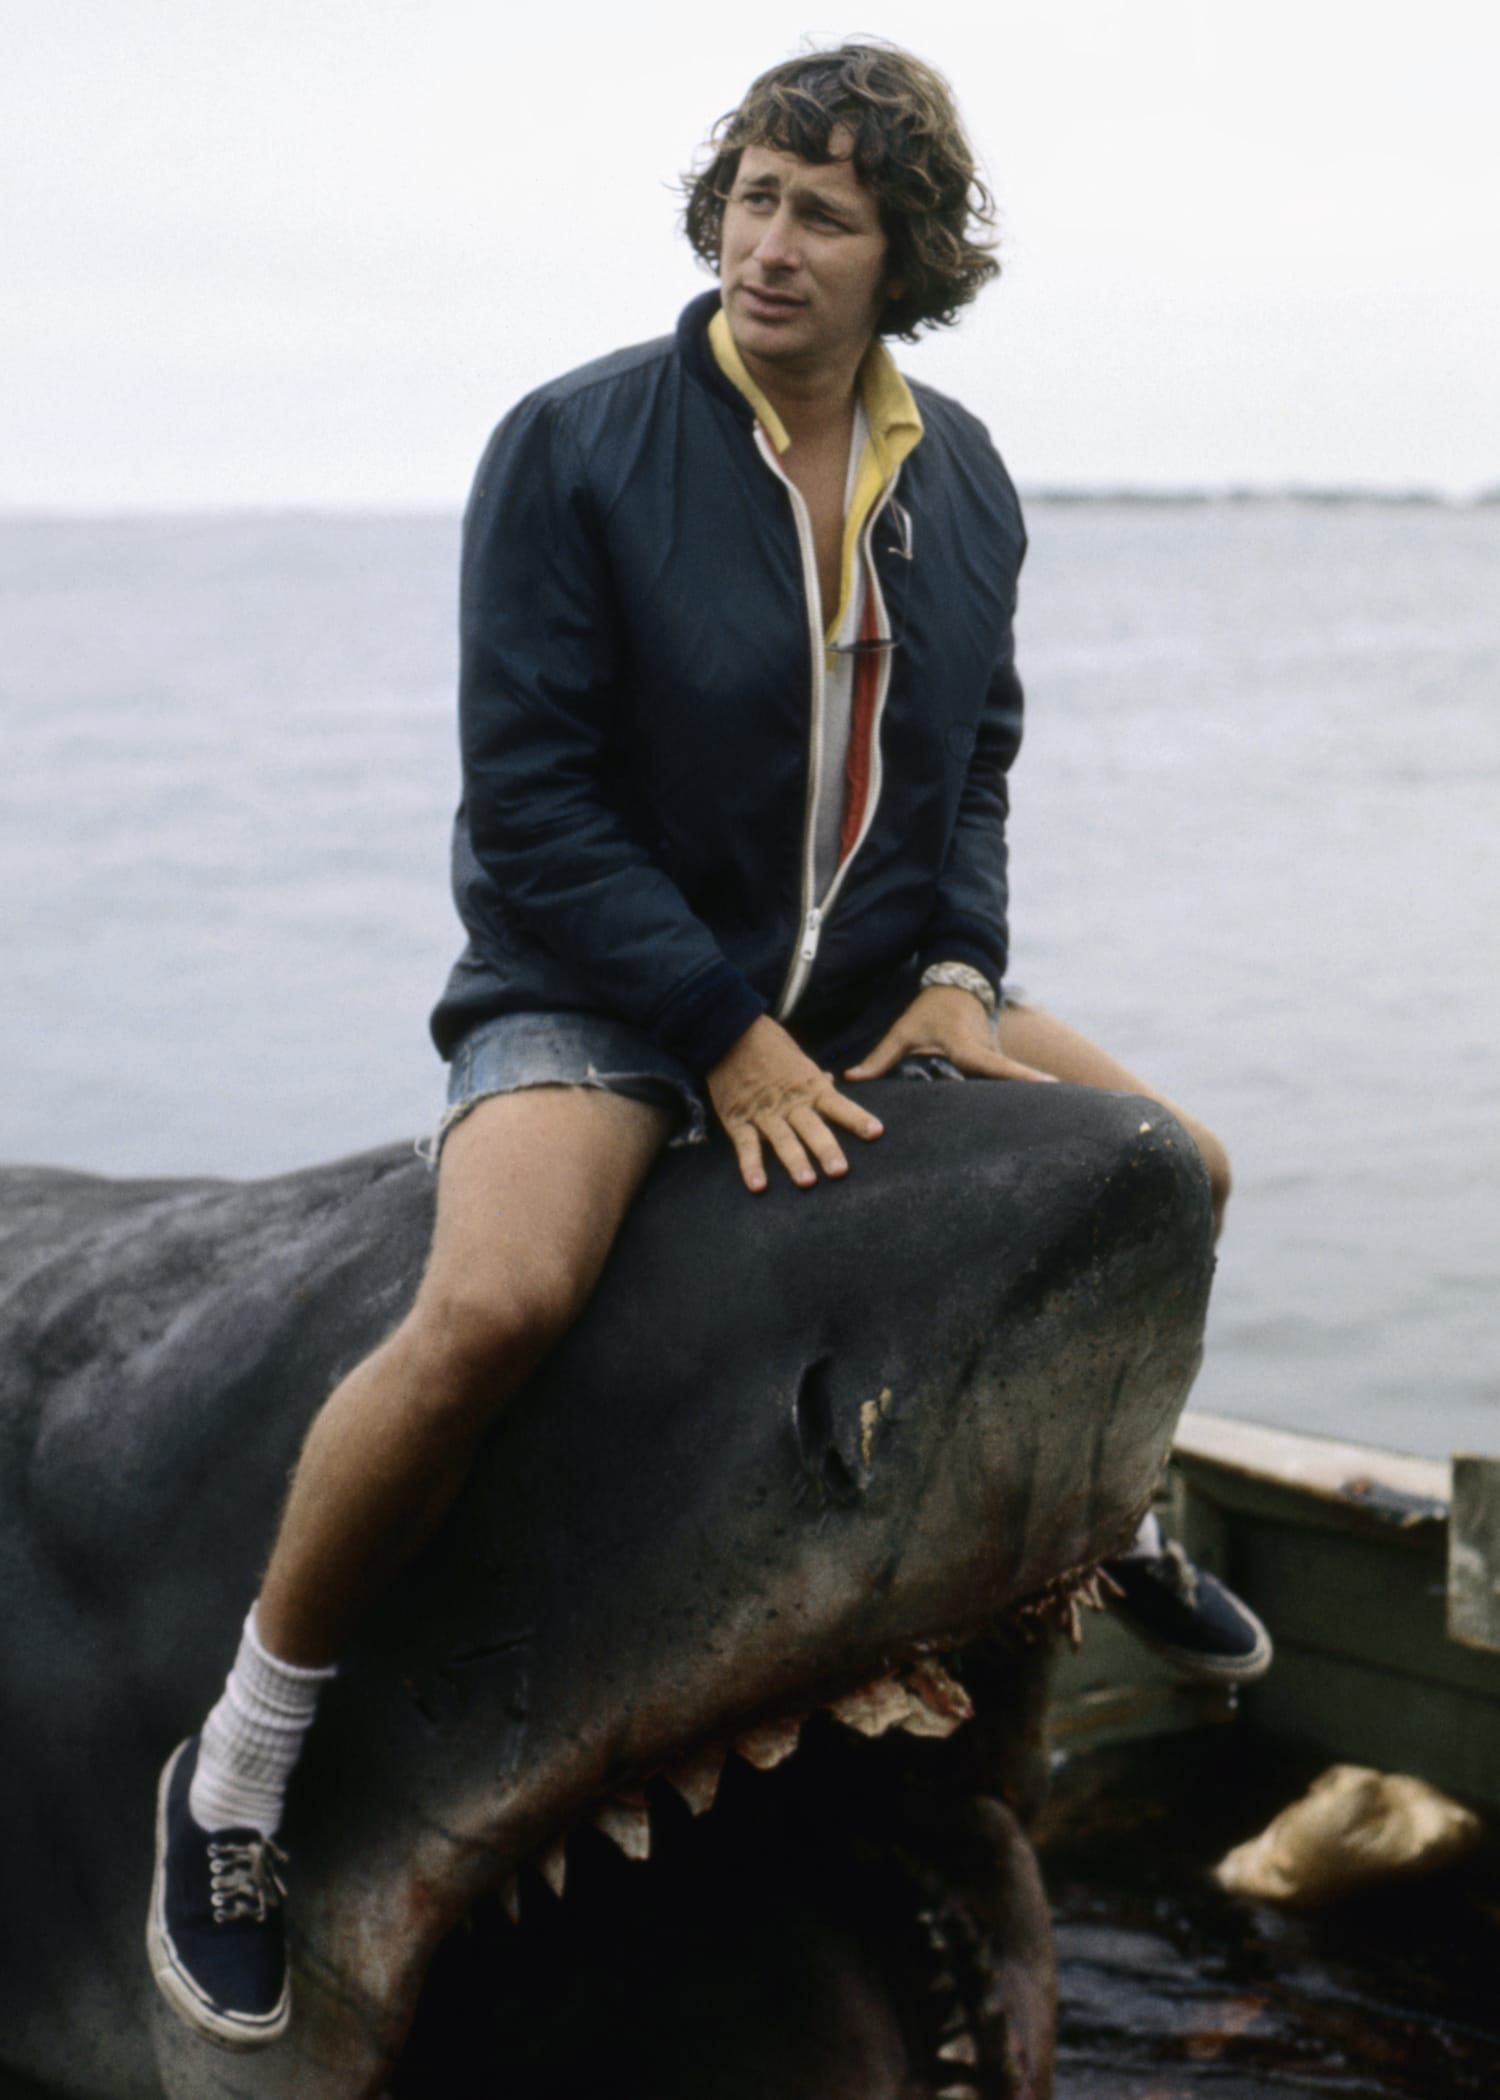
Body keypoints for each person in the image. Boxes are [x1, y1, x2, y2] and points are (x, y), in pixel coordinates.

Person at [146, 41, 1268, 2051]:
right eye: (751, 193)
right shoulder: (579, 447)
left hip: (865, 987)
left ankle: (1121, 1522)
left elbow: (977, 765)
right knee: (491, 1308)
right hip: (599, 987)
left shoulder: (965, 475)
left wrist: (961, 965)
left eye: (821, 212)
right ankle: (236, 1769)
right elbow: (534, 809)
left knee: (1173, 1169)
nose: (769, 242)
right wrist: (723, 1032)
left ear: (899, 251)